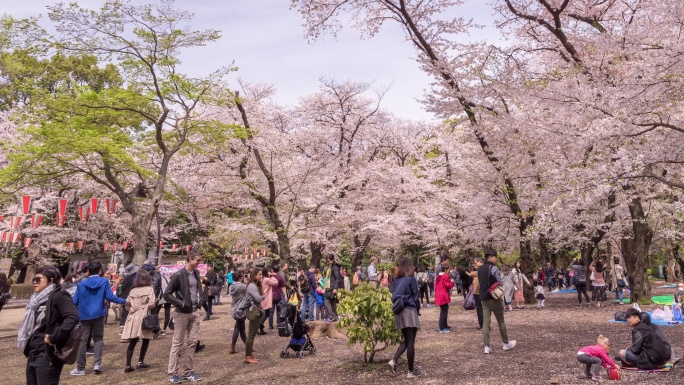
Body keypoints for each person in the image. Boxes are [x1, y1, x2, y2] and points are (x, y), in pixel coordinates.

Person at [19, 266, 79, 385]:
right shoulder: (36, 300)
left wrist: (55, 336)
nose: (34, 282)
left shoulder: (59, 295)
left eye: (38, 279)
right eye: (33, 280)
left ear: (51, 280)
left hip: (47, 354)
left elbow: (72, 316)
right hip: (33, 352)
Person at [71, 262, 126, 376]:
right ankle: (97, 364)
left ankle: (80, 368)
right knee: (98, 339)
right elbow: (110, 297)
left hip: (84, 315)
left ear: (88, 271)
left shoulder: (81, 284)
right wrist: (124, 301)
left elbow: (74, 301)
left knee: (82, 341)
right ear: (100, 271)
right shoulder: (104, 281)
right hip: (99, 314)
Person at [164, 250, 204, 383]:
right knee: (177, 342)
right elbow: (167, 294)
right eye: (198, 260)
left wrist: (200, 302)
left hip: (194, 312)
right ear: (190, 259)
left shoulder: (196, 273)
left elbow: (197, 290)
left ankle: (188, 371)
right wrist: (180, 303)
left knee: (192, 342)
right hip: (182, 313)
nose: (200, 263)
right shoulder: (179, 275)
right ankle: (172, 373)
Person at [388, 258, 421, 378]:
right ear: (410, 266)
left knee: (407, 340)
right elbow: (416, 297)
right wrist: (418, 310)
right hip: (409, 310)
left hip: (399, 312)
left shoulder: (397, 280)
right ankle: (411, 371)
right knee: (411, 341)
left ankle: (394, 360)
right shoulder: (411, 278)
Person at [478, 250, 516, 354]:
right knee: (500, 321)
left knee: (486, 323)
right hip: (494, 297)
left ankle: (487, 346)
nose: (496, 259)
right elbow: (500, 281)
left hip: (483, 298)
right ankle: (506, 343)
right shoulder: (493, 268)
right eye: (495, 257)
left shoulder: (480, 269)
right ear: (490, 257)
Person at [121, 270, 155, 373]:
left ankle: (127, 365)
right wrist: (145, 307)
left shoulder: (132, 291)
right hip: (144, 315)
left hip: (133, 316)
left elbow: (127, 304)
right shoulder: (150, 289)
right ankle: (140, 361)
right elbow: (152, 303)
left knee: (132, 342)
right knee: (145, 339)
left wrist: (132, 309)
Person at [245, 267, 264, 364]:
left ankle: (250, 355)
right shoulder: (252, 286)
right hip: (253, 311)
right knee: (251, 335)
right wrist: (262, 296)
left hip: (256, 311)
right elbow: (259, 299)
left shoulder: (255, 285)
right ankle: (248, 356)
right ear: (254, 275)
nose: (261, 276)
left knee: (252, 334)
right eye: (259, 274)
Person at [229, 270, 247, 354]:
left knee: (242, 328)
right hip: (241, 309)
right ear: (240, 277)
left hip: (234, 308)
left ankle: (248, 345)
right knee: (237, 328)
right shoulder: (242, 286)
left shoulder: (231, 286)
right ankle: (232, 347)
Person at [434, 257, 454, 333]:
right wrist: (451, 282)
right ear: (445, 270)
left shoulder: (439, 276)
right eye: (448, 270)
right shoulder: (445, 276)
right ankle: (442, 327)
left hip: (440, 295)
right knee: (444, 312)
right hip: (444, 296)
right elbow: (447, 285)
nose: (449, 271)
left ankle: (443, 325)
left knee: (443, 311)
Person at [324, 254, 344, 322]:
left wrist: (335, 288)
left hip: (332, 286)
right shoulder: (331, 267)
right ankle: (335, 317)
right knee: (332, 302)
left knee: (327, 301)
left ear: (332, 260)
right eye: (326, 261)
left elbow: (337, 278)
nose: (327, 262)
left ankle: (331, 316)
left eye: (328, 261)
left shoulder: (335, 267)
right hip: (330, 286)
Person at [259, 267, 279, 334]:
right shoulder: (267, 279)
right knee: (266, 314)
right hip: (266, 298)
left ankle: (261, 329)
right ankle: (259, 324)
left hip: (262, 297)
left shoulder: (261, 278)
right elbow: (276, 282)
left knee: (263, 314)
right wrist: (272, 276)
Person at [268, 265, 287, 329]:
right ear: (278, 270)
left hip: (271, 296)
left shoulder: (269, 277)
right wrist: (285, 295)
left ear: (272, 270)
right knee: (279, 310)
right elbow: (283, 287)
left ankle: (270, 324)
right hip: (278, 295)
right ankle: (279, 323)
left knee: (271, 312)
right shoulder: (280, 277)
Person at [468, 258, 484, 330]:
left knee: (480, 309)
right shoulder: (483, 269)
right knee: (483, 309)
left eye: (475, 263)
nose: (475, 265)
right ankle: (484, 325)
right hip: (481, 291)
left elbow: (471, 274)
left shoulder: (480, 270)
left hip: (479, 292)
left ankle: (483, 325)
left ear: (480, 262)